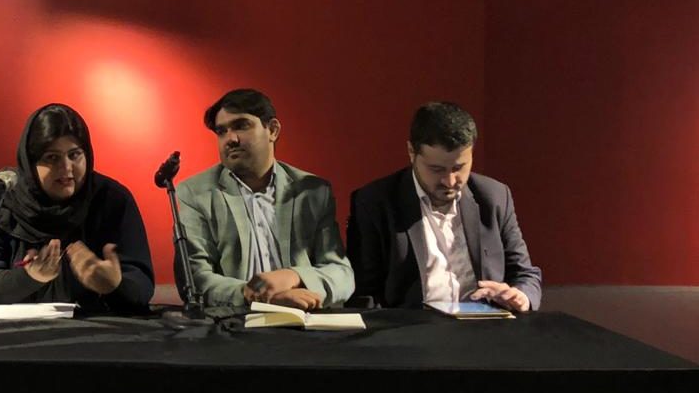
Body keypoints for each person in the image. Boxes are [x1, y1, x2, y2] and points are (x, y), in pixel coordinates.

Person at [347, 101, 542, 311]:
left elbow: (525, 274)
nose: (449, 181)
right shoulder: (375, 202)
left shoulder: (494, 197)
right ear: (411, 152)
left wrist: (521, 296)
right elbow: (365, 295)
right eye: (436, 169)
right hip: (412, 326)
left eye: (459, 168)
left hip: (486, 323)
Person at [0, 103, 154, 313]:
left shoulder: (111, 200)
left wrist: (114, 286)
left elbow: (141, 286)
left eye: (75, 155)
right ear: (31, 162)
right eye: (52, 158)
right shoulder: (2, 203)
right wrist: (29, 277)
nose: (66, 168)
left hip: (94, 328)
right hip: (15, 330)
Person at [176, 89, 354, 310]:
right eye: (222, 131)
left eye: (241, 126)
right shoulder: (195, 193)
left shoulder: (312, 192)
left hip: (305, 319)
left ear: (273, 130)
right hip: (235, 321)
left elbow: (341, 273)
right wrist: (257, 296)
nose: (230, 139)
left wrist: (293, 276)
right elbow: (194, 278)